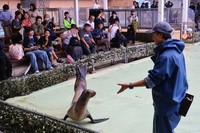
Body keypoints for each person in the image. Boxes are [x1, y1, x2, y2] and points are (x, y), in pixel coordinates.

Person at [117, 21, 188, 133]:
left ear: (161, 34)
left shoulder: (166, 56)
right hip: (178, 98)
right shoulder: (177, 51)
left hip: (167, 103)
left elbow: (152, 80)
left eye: (154, 33)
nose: (152, 36)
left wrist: (129, 85)